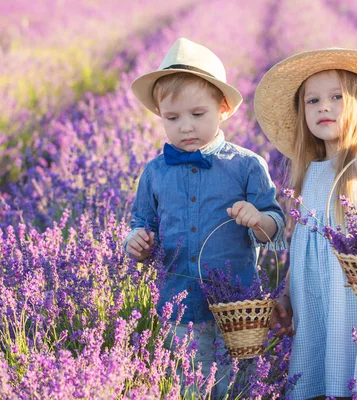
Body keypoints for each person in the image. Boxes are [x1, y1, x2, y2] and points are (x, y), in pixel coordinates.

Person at [254, 48, 357, 399]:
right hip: (315, 302)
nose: (323, 107)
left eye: (336, 97)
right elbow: (302, 250)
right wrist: (285, 296)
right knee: (319, 379)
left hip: (354, 302)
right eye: (312, 100)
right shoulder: (310, 171)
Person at [125, 37, 287, 395]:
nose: (185, 127)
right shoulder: (154, 172)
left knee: (239, 384)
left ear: (224, 108)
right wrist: (136, 242)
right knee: (190, 385)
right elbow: (142, 223)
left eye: (197, 114)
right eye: (173, 117)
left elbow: (276, 229)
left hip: (237, 308)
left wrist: (257, 217)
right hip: (180, 302)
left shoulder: (246, 165)